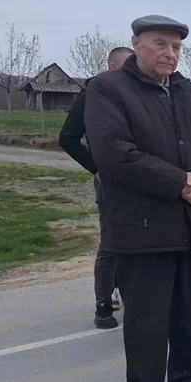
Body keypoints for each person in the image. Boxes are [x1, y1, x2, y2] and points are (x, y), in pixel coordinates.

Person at [85, 15, 191, 382]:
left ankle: (189, 378)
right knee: (147, 316)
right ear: (136, 43)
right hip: (142, 224)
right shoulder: (109, 89)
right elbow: (114, 154)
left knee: (189, 309)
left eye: (177, 47)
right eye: (160, 44)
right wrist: (179, 182)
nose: (169, 53)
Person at [59, 46, 133, 329]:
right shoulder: (91, 95)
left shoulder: (137, 94)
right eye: (128, 64)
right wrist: (96, 167)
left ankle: (132, 293)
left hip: (140, 178)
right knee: (111, 241)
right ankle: (104, 304)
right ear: (113, 67)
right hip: (110, 181)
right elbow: (68, 138)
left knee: (140, 238)